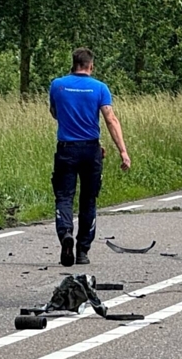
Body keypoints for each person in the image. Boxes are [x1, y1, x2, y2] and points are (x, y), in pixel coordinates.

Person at [49, 47, 131, 267]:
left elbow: (55, 113)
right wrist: (123, 150)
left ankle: (65, 233)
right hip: (91, 150)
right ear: (90, 66)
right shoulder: (100, 88)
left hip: (66, 149)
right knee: (88, 199)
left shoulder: (57, 85)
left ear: (73, 64)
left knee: (64, 196)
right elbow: (110, 119)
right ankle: (82, 250)